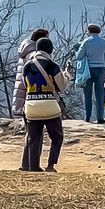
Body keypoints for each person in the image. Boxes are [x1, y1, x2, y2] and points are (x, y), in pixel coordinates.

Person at [22, 37, 67, 172]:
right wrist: (68, 75)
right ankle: (50, 165)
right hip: (49, 107)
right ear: (50, 50)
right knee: (56, 137)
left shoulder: (27, 66)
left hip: (31, 106)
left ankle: (33, 167)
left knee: (33, 138)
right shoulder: (52, 66)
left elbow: (25, 85)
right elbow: (61, 86)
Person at [13, 27, 50, 171]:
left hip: (22, 98)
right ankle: (32, 165)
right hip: (32, 97)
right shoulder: (35, 56)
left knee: (31, 134)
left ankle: (26, 164)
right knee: (36, 134)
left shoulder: (25, 53)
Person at [75, 23, 105, 124]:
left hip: (89, 70)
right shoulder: (104, 42)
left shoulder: (86, 42)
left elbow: (79, 56)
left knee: (87, 94)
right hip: (101, 69)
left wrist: (76, 49)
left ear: (88, 31)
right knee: (100, 94)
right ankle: (100, 117)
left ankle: (87, 117)